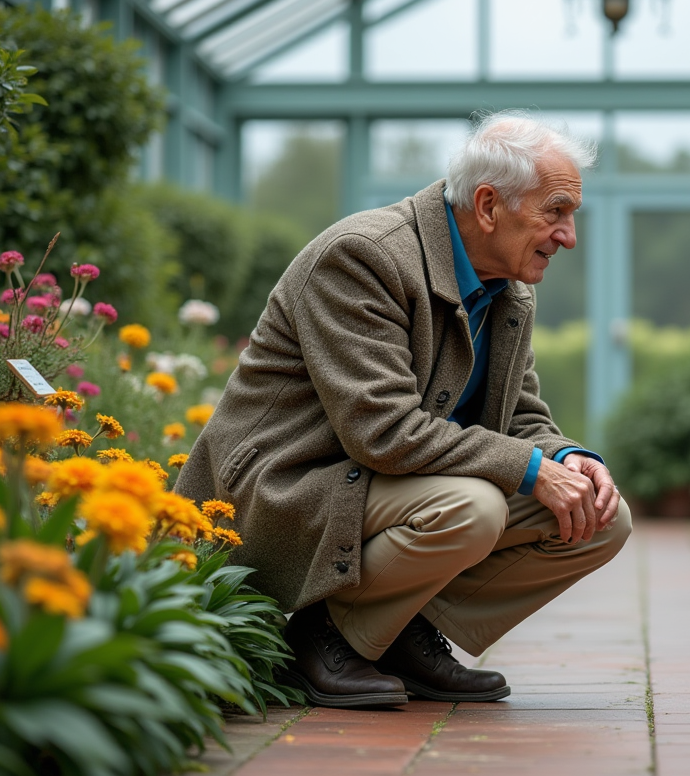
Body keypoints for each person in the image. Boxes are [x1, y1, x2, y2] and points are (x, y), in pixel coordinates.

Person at [176, 112, 632, 708]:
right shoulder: (364, 258)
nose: (569, 236)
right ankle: (321, 641)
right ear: (489, 205)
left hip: (379, 486)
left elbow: (522, 418)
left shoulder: (509, 291)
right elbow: (383, 433)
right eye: (556, 211)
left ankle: (393, 633)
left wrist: (569, 459)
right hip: (286, 486)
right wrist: (531, 469)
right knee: (473, 508)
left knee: (602, 517)